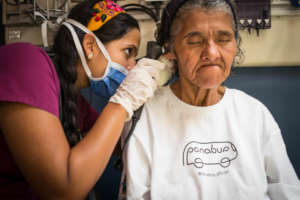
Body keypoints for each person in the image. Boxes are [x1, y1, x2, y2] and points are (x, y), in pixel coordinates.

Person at [122, 0, 300, 199]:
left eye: (223, 39)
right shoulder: (145, 116)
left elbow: (287, 190)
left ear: (235, 45)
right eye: (195, 41)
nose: (212, 53)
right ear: (170, 49)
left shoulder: (254, 113)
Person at [0, 0, 165, 199]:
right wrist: (122, 104)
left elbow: (117, 144)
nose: (132, 66)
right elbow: (63, 189)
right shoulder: (24, 62)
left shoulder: (75, 100)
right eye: (128, 52)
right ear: (90, 46)